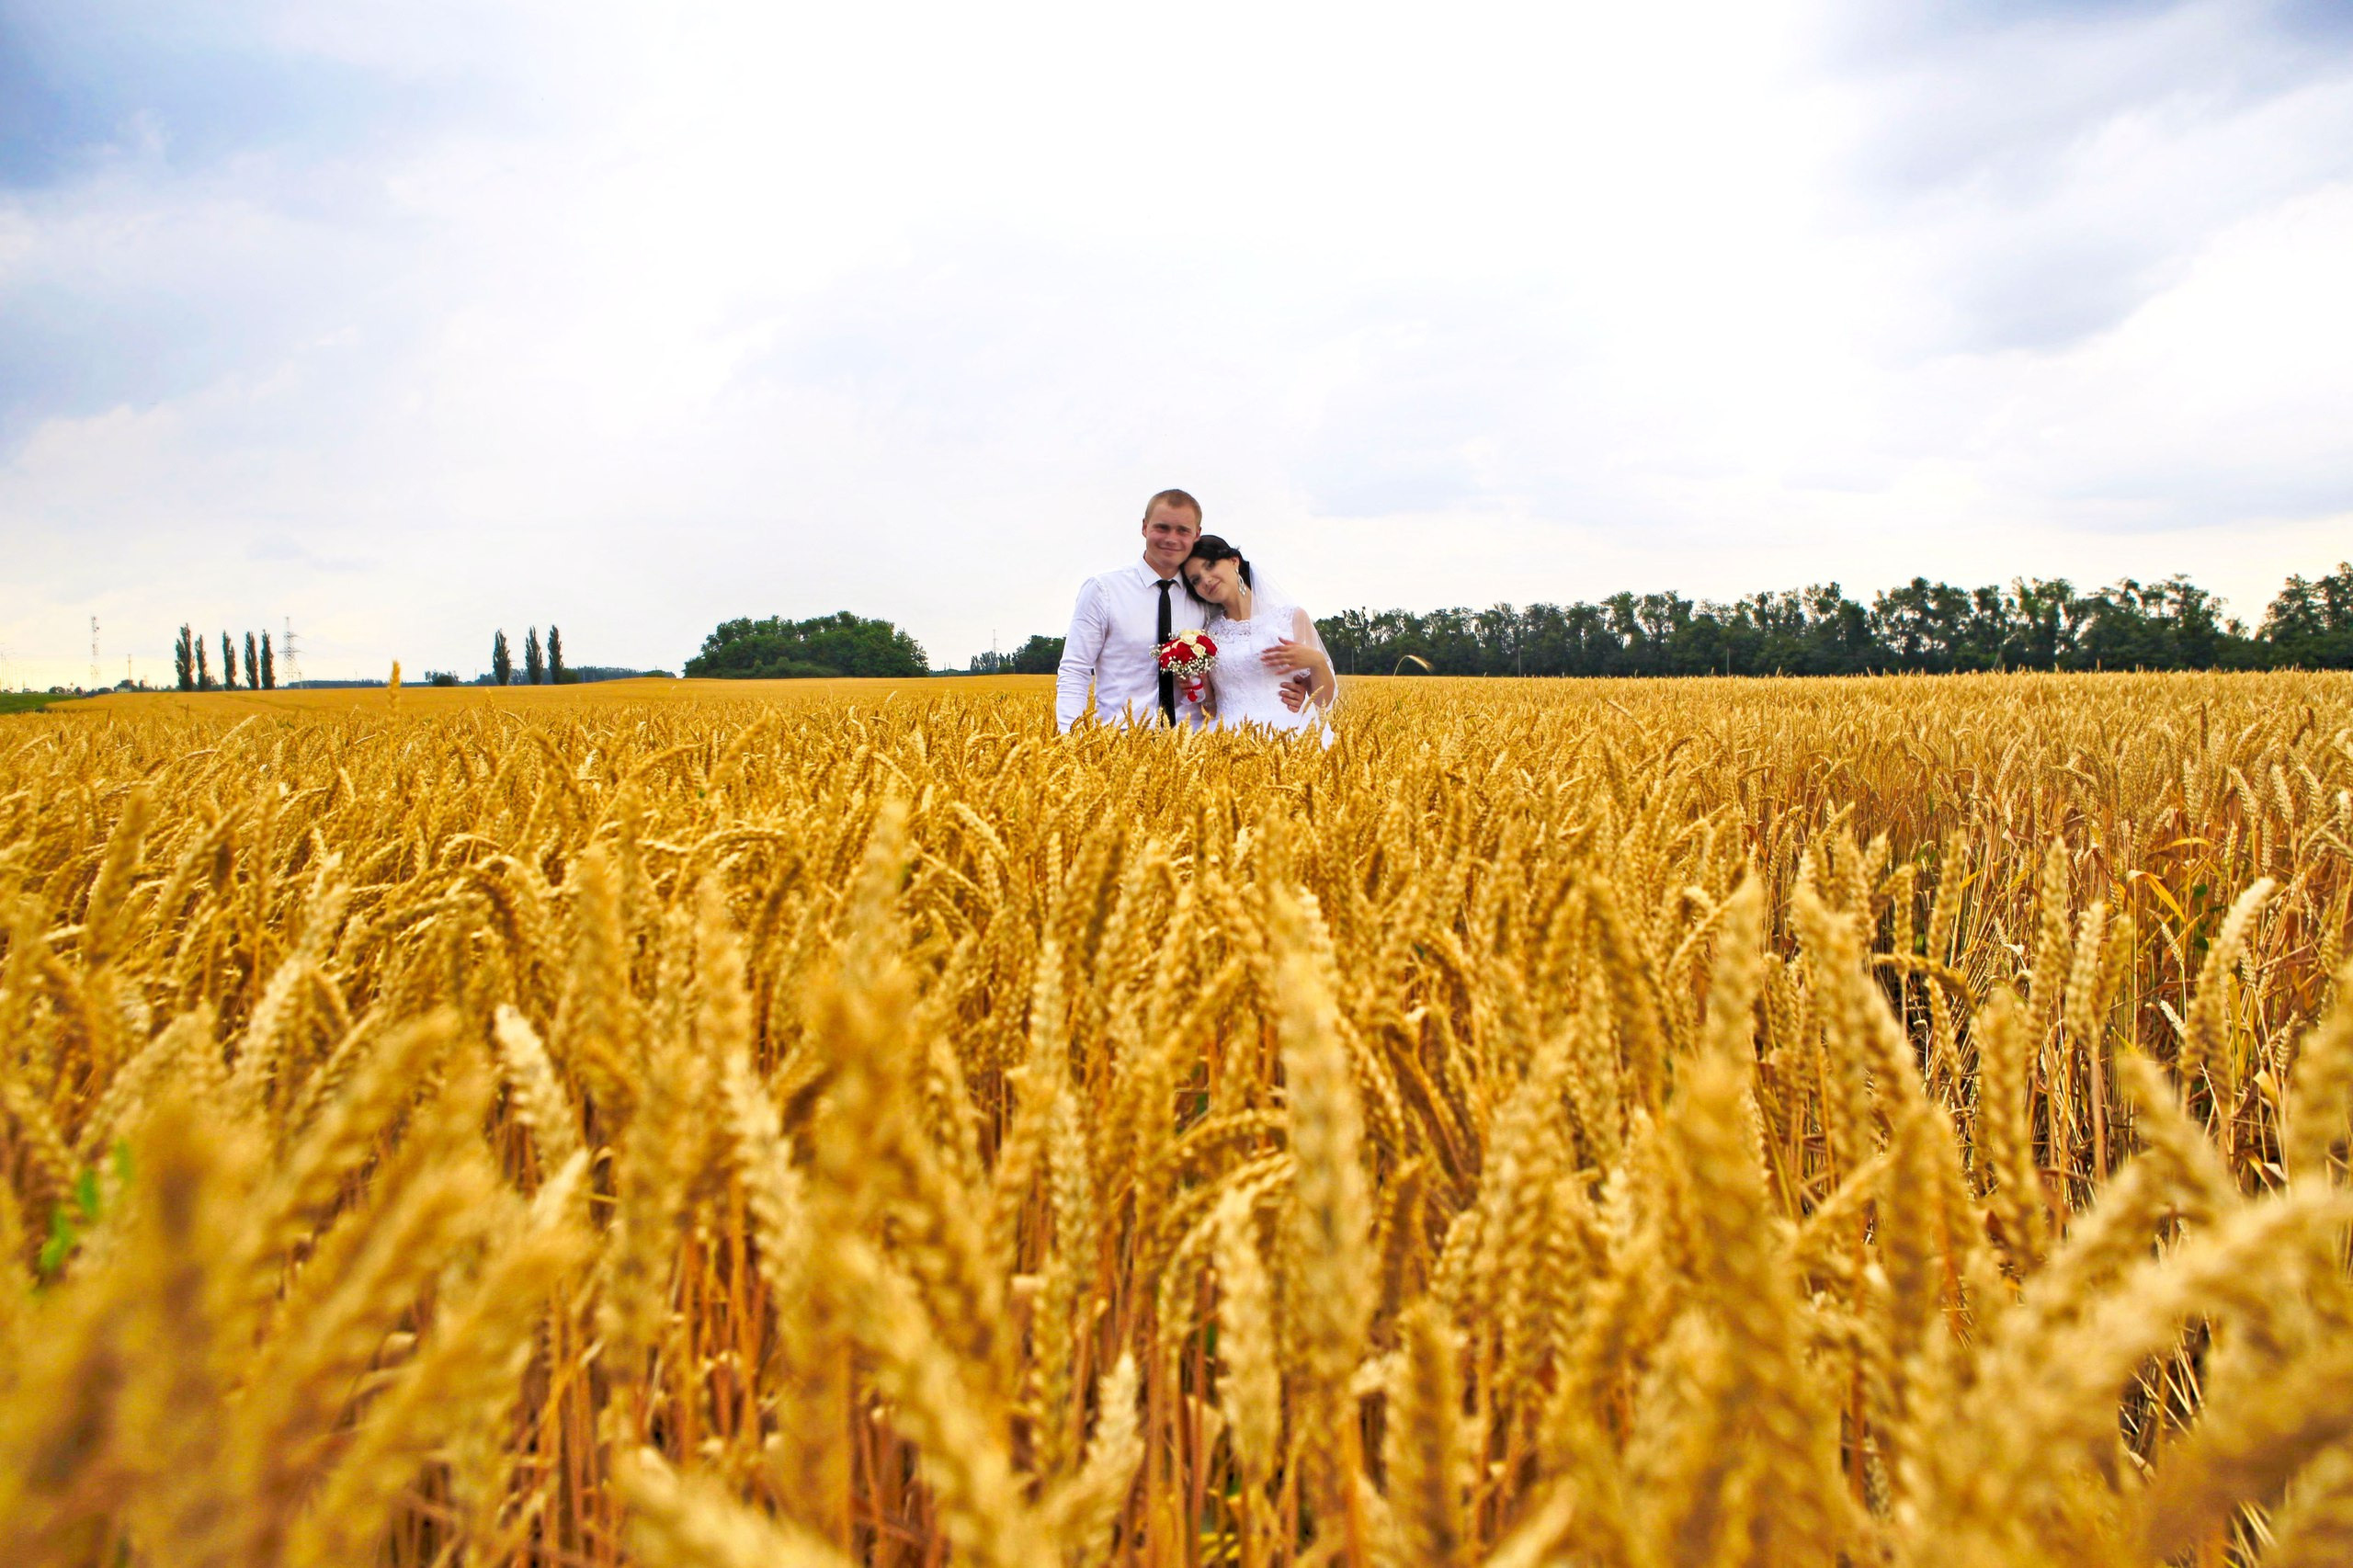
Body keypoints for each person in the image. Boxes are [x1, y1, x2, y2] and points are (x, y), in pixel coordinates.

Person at [1055, 489, 1211, 733]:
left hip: (1191, 745)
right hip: (1118, 746)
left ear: (1197, 535)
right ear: (1144, 527)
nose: (1171, 538)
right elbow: (1075, 669)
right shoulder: (1103, 590)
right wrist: (1069, 737)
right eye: (1162, 528)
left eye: (1183, 530)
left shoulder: (1204, 597)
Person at [1178, 534, 1337, 738]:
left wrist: (1316, 661)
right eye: (1196, 580)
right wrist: (1202, 689)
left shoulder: (1290, 618)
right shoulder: (1207, 636)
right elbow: (1212, 708)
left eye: (1210, 565)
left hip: (1290, 735)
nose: (1206, 580)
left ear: (1234, 561)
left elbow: (1323, 701)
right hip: (1228, 738)